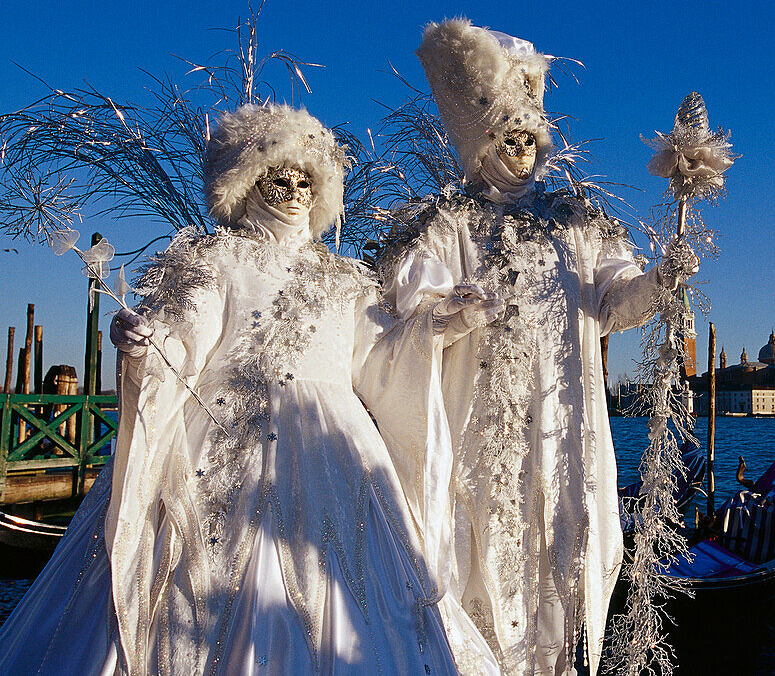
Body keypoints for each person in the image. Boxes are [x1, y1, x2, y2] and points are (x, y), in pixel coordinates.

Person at [0, 103, 501, 675]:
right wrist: (148, 340)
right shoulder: (216, 259)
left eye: (304, 180)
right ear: (245, 182)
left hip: (335, 446)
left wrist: (441, 324)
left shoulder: (344, 279)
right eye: (276, 178)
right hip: (225, 436)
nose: (292, 192)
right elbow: (185, 339)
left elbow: (383, 359)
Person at [378, 19, 698, 675]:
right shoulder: (446, 226)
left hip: (562, 442)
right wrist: (454, 313)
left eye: (531, 137)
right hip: (479, 446)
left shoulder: (577, 227)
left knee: (558, 590)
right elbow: (405, 315)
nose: (522, 149)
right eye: (509, 135)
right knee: (477, 578)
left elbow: (614, 301)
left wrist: (662, 279)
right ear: (481, 139)